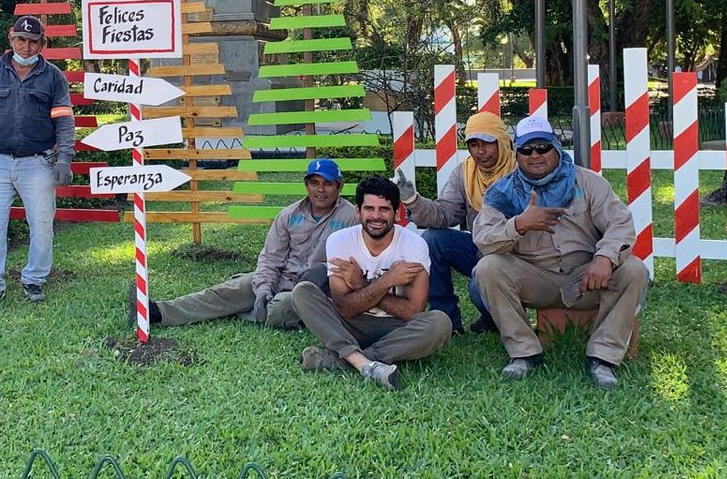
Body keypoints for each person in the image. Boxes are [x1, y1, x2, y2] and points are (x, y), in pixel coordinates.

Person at [473, 114, 649, 390]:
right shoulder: (502, 192)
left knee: (634, 269)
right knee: (488, 268)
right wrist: (518, 225)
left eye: (543, 147)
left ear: (556, 147)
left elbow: (620, 224)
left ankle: (603, 358)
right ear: (516, 153)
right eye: (526, 150)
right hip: (535, 277)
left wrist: (604, 257)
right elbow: (484, 240)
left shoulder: (588, 182)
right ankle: (524, 353)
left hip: (586, 276)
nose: (535, 155)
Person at [140, 158, 357, 329]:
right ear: (306, 185)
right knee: (228, 290)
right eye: (315, 183)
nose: (320, 190)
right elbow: (271, 259)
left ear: (339, 187)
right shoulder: (289, 215)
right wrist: (263, 288)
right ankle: (159, 312)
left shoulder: (351, 218)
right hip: (282, 277)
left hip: (314, 290)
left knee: (280, 309)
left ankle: (236, 311)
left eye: (328, 184)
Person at [292, 176, 451, 391]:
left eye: (384, 209)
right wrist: (387, 280)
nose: (376, 216)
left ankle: (349, 359)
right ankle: (365, 363)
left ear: (397, 213)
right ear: (358, 211)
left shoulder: (414, 245)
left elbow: (412, 312)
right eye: (369, 208)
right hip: (350, 324)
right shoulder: (340, 241)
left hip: (396, 328)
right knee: (303, 291)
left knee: (440, 323)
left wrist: (360, 284)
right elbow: (345, 308)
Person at [0, 16, 75, 307]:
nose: (26, 46)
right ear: (11, 39)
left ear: (43, 44)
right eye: (21, 39)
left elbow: (64, 120)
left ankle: (34, 280)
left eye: (33, 41)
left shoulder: (53, 77)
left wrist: (65, 159)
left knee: (41, 223)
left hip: (38, 163)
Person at [395, 111, 514, 334]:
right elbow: (445, 213)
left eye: (487, 143)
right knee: (433, 239)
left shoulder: (521, 170)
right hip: (481, 250)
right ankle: (446, 321)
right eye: (474, 144)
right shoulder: (465, 173)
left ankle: (497, 318)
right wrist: (412, 200)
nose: (481, 151)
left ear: (502, 141)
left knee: (478, 287)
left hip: (516, 256)